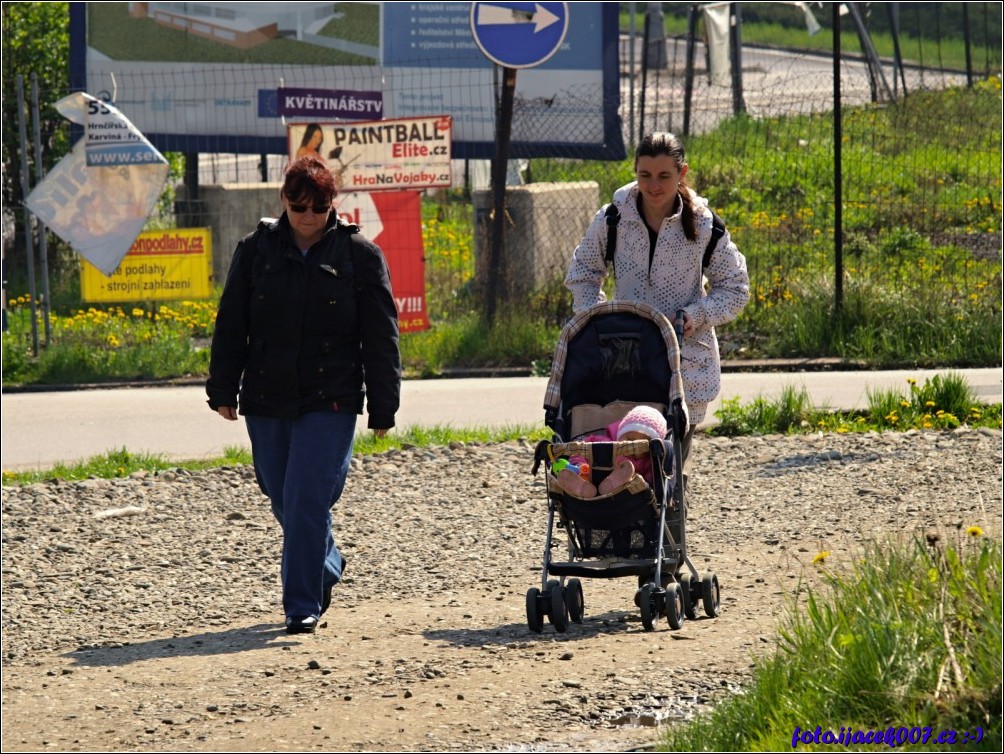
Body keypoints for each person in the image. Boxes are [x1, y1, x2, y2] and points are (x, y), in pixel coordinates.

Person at [206, 155, 401, 635]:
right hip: (266, 396)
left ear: (333, 203)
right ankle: (327, 562)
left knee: (306, 499)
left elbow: (381, 336)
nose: (309, 216)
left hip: (330, 397)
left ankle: (301, 606)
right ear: (284, 203)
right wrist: (222, 387)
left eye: (318, 207)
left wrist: (384, 405)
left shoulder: (359, 255)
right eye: (299, 208)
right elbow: (232, 323)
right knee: (279, 493)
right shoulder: (256, 251)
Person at [565, 132, 750, 463]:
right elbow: (583, 272)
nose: (653, 186)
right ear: (635, 171)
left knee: (671, 469)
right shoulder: (613, 218)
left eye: (664, 176)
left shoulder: (706, 226)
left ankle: (672, 512)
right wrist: (596, 318)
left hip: (683, 360)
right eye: (645, 175)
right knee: (621, 455)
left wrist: (698, 315)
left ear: (682, 173)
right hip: (622, 358)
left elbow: (735, 288)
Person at [554, 405, 667, 498]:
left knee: (634, 477)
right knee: (582, 465)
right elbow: (580, 450)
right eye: (630, 439)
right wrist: (579, 464)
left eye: (641, 444)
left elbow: (652, 479)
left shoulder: (648, 461)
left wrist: (645, 483)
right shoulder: (604, 442)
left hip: (624, 495)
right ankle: (579, 486)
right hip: (589, 478)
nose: (633, 446)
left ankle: (618, 481)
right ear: (620, 434)